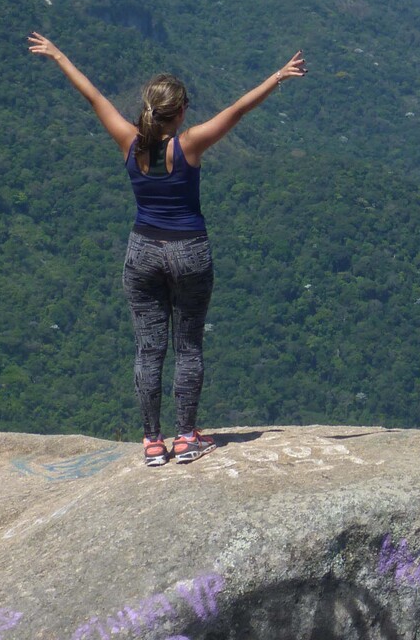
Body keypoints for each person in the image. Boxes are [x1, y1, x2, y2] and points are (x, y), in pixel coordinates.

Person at [28, 33, 307, 466]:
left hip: (142, 252)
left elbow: (93, 96)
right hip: (189, 252)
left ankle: (152, 442)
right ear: (179, 112)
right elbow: (238, 109)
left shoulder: (128, 141)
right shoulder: (189, 144)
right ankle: (186, 438)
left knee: (149, 349)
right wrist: (278, 76)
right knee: (189, 346)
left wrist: (59, 55)